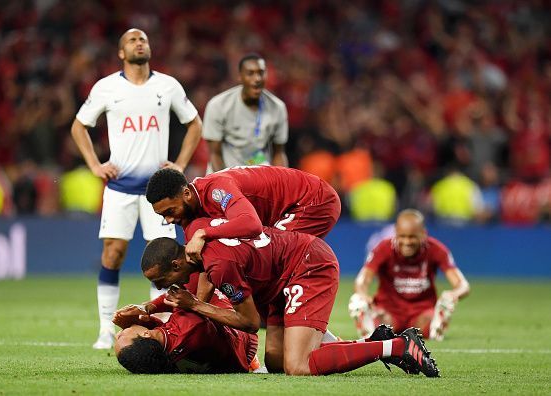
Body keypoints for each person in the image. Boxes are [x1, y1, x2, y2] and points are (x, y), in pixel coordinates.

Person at [142, 217, 439, 377]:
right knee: (277, 362)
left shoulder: (219, 265)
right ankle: (373, 343)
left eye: (160, 280)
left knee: (298, 367)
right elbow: (188, 294)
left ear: (177, 265)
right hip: (280, 276)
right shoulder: (201, 253)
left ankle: (397, 346)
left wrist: (195, 305)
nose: (159, 287)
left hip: (307, 264)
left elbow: (248, 321)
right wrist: (148, 309)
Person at [70, 28, 202, 349]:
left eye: (143, 39)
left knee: (165, 259)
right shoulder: (106, 88)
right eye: (132, 40)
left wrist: (181, 166)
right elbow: (79, 126)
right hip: (120, 187)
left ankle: (165, 324)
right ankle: (105, 329)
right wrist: (94, 165)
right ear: (121, 52)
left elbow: (195, 125)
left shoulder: (167, 86)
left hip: (159, 192)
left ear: (149, 48)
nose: (139, 42)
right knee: (113, 254)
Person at [145, 166, 340, 263]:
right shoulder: (189, 216)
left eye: (170, 211)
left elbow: (251, 224)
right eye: (163, 215)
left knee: (273, 265)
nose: (169, 220)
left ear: (186, 193)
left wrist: (203, 233)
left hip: (312, 199)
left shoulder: (216, 189)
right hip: (287, 209)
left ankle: (310, 337)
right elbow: (200, 268)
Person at [349, 209, 470, 341]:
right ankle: (369, 333)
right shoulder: (383, 248)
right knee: (358, 302)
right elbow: (362, 280)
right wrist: (363, 294)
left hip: (421, 314)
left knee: (438, 311)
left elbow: (463, 285)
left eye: (412, 237)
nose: (407, 242)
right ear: (395, 233)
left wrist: (453, 295)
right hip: (389, 312)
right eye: (402, 236)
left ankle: (436, 328)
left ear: (423, 234)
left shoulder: (436, 249)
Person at [113, 273, 259, 374]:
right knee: (194, 279)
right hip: (242, 336)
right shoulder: (190, 325)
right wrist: (148, 307)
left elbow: (163, 334)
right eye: (120, 336)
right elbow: (178, 297)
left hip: (223, 352)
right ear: (145, 334)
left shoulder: (159, 357)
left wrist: (143, 319)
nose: (118, 333)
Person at [202, 53, 288, 173]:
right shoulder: (218, 105)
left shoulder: (278, 108)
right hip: (224, 173)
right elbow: (215, 154)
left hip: (259, 174)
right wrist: (225, 185)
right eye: (250, 73)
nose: (257, 79)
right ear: (240, 76)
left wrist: (282, 182)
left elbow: (279, 152)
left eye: (261, 73)